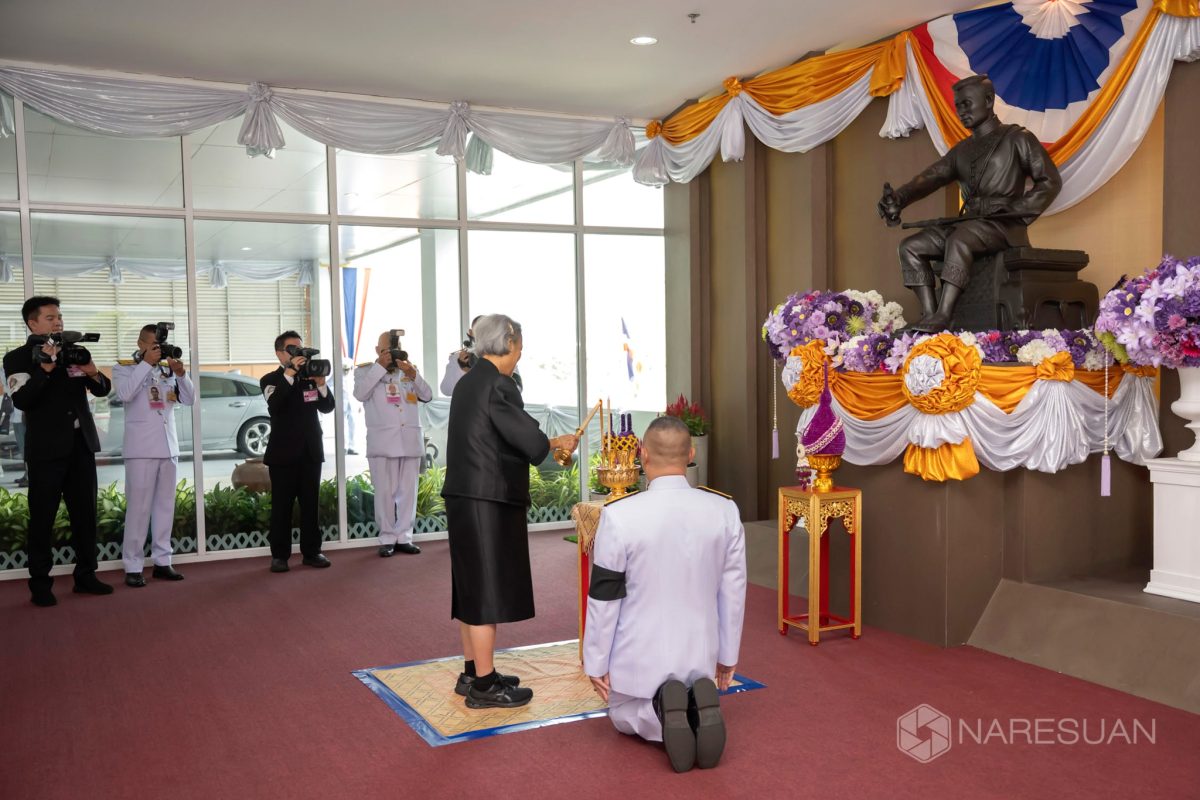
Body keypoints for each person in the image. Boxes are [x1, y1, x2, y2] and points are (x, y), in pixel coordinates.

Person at [583, 416, 746, 773]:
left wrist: (595, 662)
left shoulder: (619, 516)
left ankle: (657, 711)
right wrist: (727, 655)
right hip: (701, 653)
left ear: (642, 455)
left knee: (619, 714)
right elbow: (733, 590)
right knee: (685, 682)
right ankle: (693, 704)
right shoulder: (724, 510)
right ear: (691, 454)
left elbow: (605, 597)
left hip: (638, 662)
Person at [441, 314, 578, 708]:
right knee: (485, 592)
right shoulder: (499, 384)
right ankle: (485, 687)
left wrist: (548, 440)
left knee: (470, 589)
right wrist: (552, 443)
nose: (521, 352)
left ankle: (473, 672)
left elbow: (500, 433)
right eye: (519, 343)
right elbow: (529, 442)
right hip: (488, 499)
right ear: (508, 342)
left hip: (466, 496)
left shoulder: (470, 381)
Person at [877, 73, 1062, 332]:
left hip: (1003, 226)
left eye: (966, 104)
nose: (961, 111)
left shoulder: (1017, 138)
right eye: (958, 106)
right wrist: (900, 198)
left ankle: (945, 315)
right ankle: (930, 316)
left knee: (959, 239)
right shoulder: (961, 151)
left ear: (988, 101)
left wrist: (1016, 209)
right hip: (969, 224)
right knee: (910, 246)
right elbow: (931, 177)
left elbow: (1050, 181)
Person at [3, 296, 113, 606]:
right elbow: (23, 400)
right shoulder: (17, 357)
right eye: (50, 317)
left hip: (81, 446)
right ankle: (40, 584)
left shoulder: (73, 351)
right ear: (32, 323)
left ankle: (86, 575)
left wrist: (91, 370)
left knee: (85, 516)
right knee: (42, 519)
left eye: (59, 317)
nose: (58, 321)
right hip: (46, 451)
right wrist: (45, 369)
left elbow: (103, 389)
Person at [112, 324, 195, 587]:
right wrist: (146, 364)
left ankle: (162, 561)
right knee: (138, 509)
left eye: (160, 345)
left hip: (168, 447)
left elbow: (189, 399)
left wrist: (181, 375)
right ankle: (133, 566)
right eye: (153, 344)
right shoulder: (124, 368)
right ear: (140, 343)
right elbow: (125, 394)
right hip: (141, 450)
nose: (158, 349)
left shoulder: (166, 370)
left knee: (165, 507)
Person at [261, 331, 335, 573]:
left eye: (300, 348)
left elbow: (328, 407)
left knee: (311, 506)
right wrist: (290, 373)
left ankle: (312, 552)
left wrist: (321, 383)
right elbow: (275, 405)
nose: (299, 353)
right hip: (282, 455)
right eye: (293, 349)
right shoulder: (270, 379)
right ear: (280, 354)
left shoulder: (309, 378)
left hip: (310, 452)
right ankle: (279, 556)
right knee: (281, 507)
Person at [354, 330, 432, 557]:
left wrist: (413, 374)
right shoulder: (365, 371)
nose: (391, 353)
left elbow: (427, 395)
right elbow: (360, 394)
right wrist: (380, 367)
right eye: (387, 349)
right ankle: (387, 537)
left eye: (395, 349)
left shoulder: (408, 370)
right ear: (377, 350)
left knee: (408, 493)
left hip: (409, 441)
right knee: (385, 493)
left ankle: (404, 537)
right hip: (383, 443)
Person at [439, 315, 482, 397]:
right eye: (479, 330)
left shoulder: (501, 359)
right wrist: (462, 368)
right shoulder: (458, 357)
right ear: (471, 332)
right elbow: (446, 390)